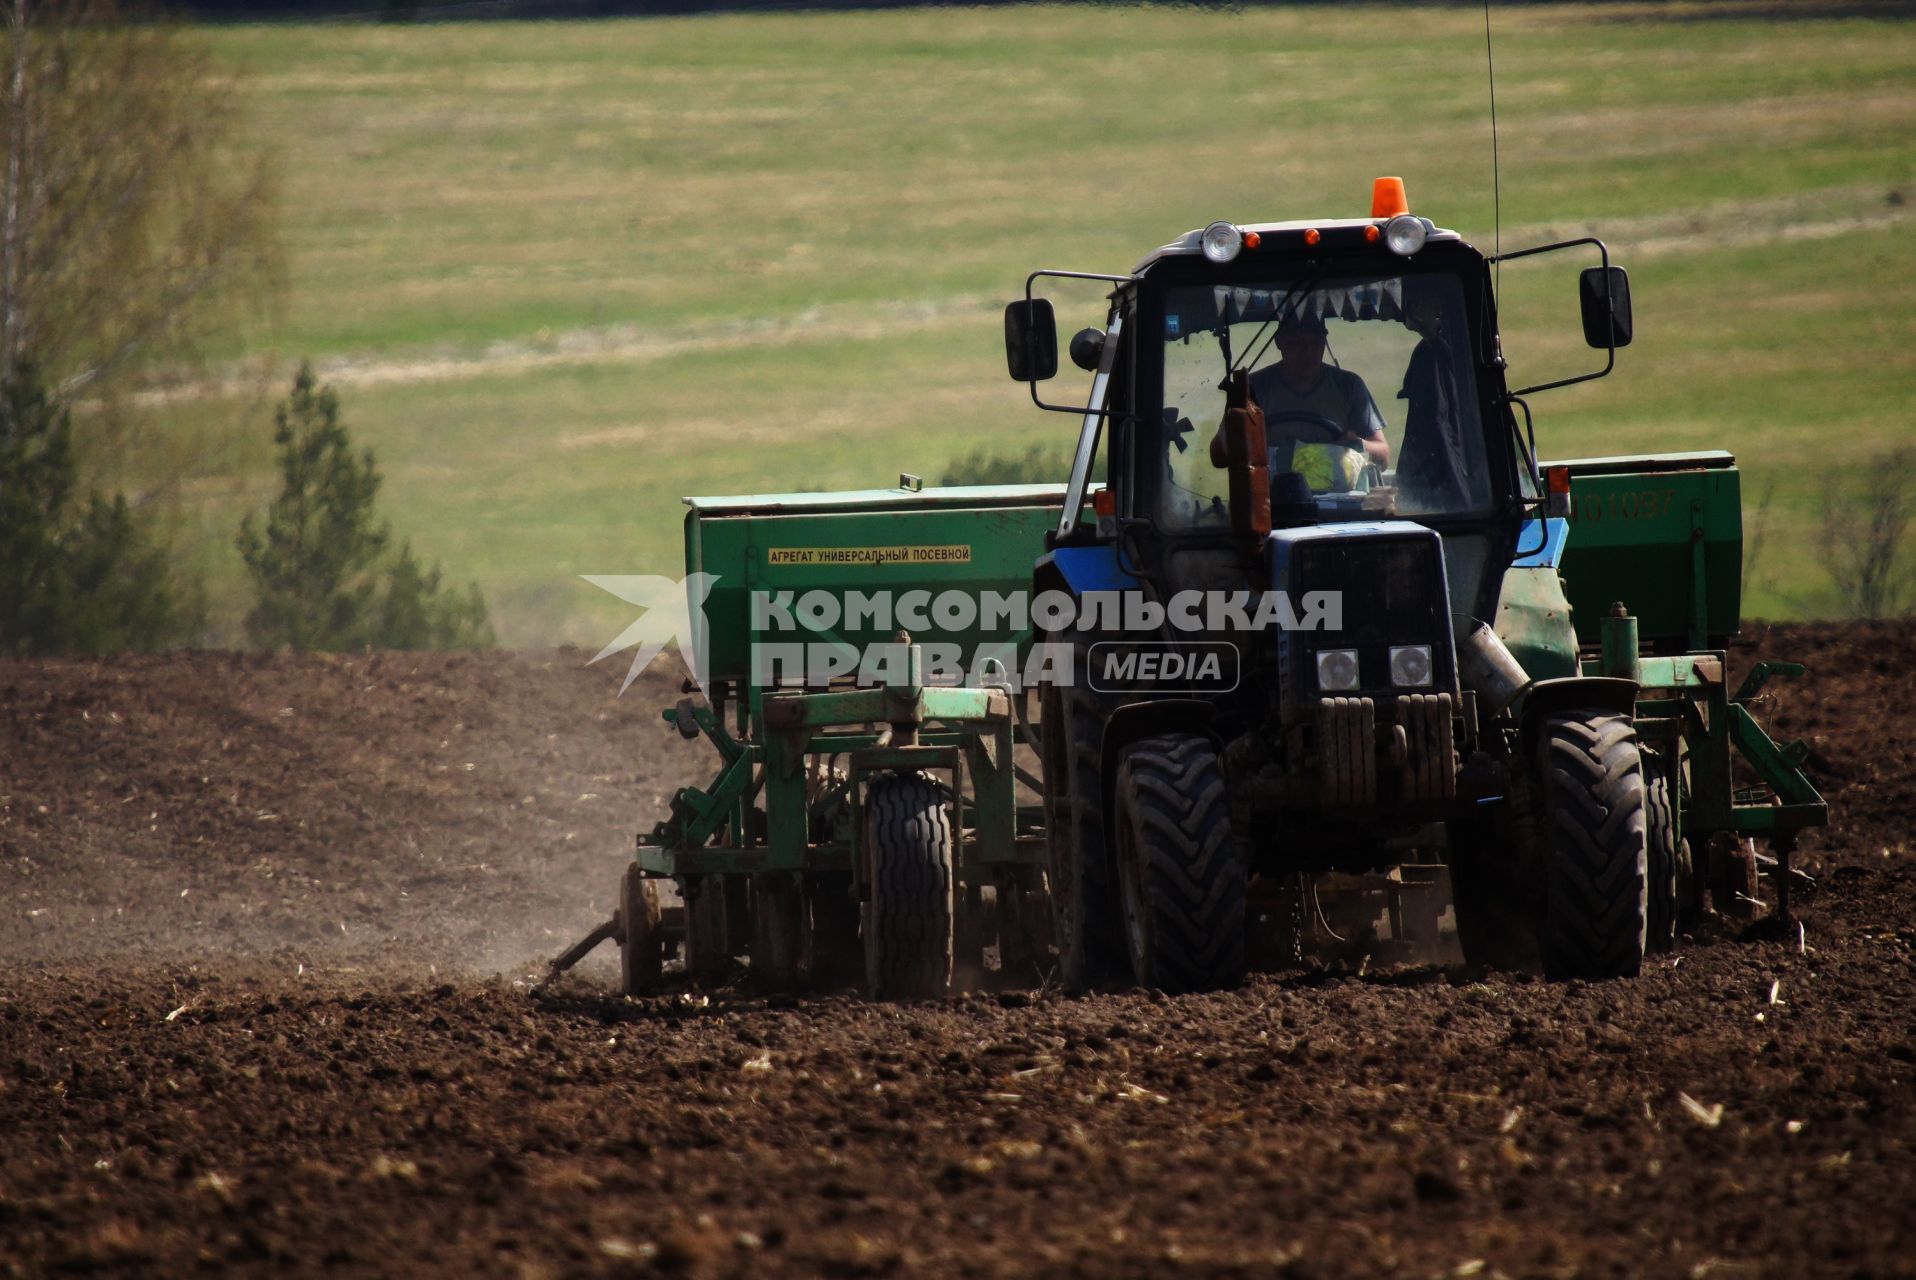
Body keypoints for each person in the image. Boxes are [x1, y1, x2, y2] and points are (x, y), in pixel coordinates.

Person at [1209, 311, 1390, 493]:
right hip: (1270, 507)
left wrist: (1358, 444)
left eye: (1315, 343)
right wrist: (1251, 446)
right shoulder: (1253, 389)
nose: (1307, 352)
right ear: (1278, 342)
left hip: (1339, 507)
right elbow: (1218, 456)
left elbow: (1383, 454)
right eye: (1296, 343)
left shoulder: (1349, 386)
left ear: (1325, 341)